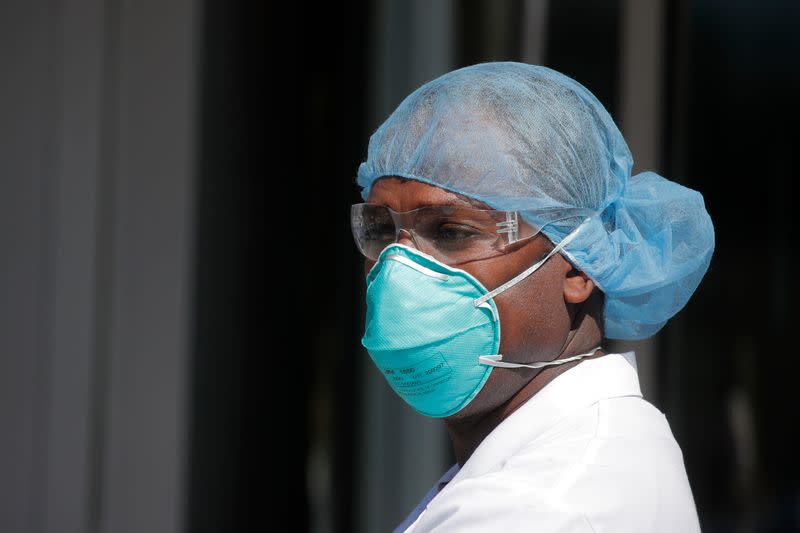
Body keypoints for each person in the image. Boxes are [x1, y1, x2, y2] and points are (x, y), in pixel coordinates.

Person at [350, 61, 714, 532]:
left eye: (453, 231)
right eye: (380, 230)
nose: (399, 270)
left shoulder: (539, 508)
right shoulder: (551, 463)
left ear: (581, 263)